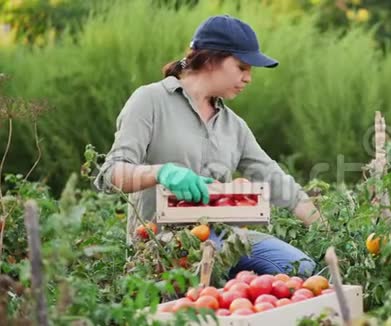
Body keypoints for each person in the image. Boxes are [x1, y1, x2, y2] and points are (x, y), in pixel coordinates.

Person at [94, 15, 322, 278]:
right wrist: (161, 172)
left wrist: (329, 231)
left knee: (304, 269)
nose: (248, 78)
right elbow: (111, 173)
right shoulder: (150, 101)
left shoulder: (233, 126)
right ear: (212, 60)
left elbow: (277, 181)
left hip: (222, 237)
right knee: (195, 288)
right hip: (162, 244)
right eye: (242, 67)